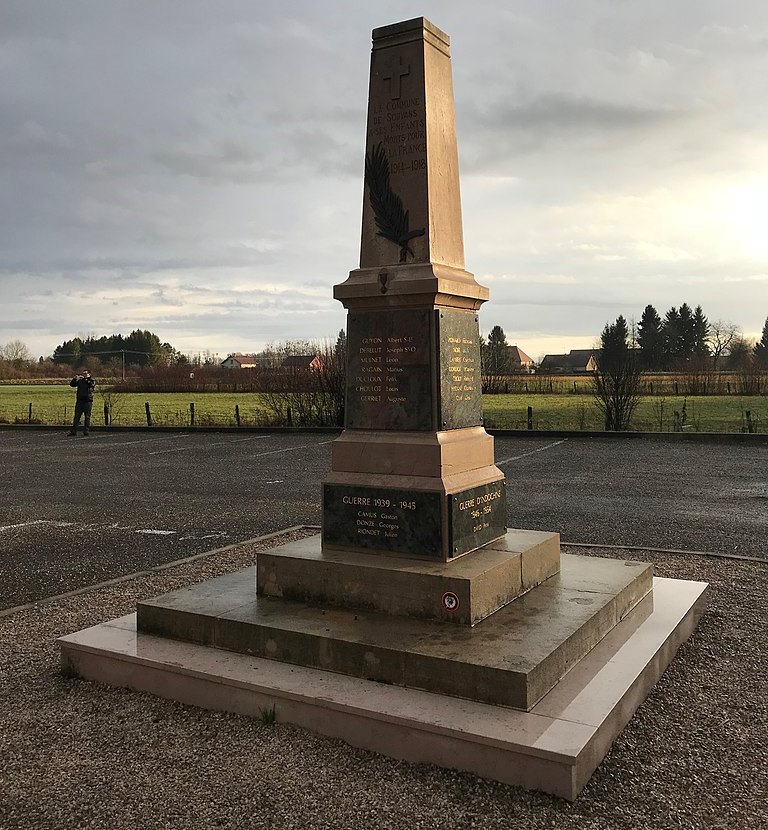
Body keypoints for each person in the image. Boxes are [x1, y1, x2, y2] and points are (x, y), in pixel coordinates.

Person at [68, 369, 95, 436]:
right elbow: (72, 385)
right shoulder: (80, 381)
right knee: (76, 417)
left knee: (87, 417)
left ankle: (86, 431)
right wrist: (74, 379)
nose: (84, 375)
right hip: (80, 401)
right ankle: (74, 431)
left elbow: (91, 385)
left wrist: (86, 380)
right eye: (83, 374)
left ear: (89, 374)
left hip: (88, 401)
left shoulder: (92, 381)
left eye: (85, 374)